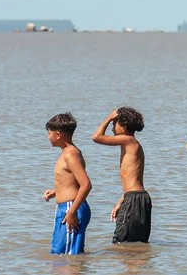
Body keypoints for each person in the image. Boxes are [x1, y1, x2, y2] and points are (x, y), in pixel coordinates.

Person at [91, 107, 152, 244]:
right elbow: (133, 181)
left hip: (134, 199)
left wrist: (109, 117)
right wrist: (121, 202)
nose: (112, 129)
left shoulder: (129, 140)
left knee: (121, 243)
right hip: (137, 197)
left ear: (123, 126)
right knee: (136, 244)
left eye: (114, 124)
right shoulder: (133, 144)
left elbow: (96, 137)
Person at [44, 112, 92, 255]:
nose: (48, 137)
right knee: (62, 254)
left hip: (71, 208)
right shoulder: (65, 153)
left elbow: (86, 184)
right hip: (66, 207)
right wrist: (55, 192)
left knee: (66, 257)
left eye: (49, 133)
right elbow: (71, 183)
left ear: (58, 135)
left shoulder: (71, 154)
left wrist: (71, 212)